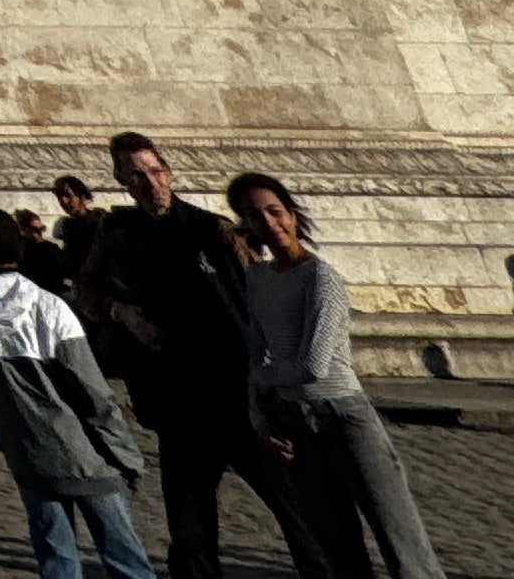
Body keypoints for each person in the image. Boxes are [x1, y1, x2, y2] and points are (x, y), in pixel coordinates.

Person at [83, 134, 322, 579]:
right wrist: (122, 312)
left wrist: (274, 392)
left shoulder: (212, 230)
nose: (151, 183)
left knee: (294, 509)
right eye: (137, 175)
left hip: (235, 393)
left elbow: (256, 305)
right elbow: (87, 291)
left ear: (169, 173)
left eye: (156, 171)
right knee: (189, 527)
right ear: (121, 180)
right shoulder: (116, 233)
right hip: (175, 399)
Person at [232, 173, 442, 579]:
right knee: (335, 545)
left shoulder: (320, 277)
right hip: (294, 423)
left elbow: (313, 366)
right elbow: (256, 353)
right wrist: (261, 421)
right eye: (255, 215)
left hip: (344, 415)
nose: (269, 223)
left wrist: (262, 379)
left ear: (292, 214)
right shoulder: (257, 279)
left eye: (275, 211)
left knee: (401, 543)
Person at [0, 206, 158, 579]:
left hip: (28, 452)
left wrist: (7, 440)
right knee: (124, 559)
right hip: (85, 454)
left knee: (55, 556)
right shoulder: (49, 307)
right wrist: (125, 456)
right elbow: (92, 392)